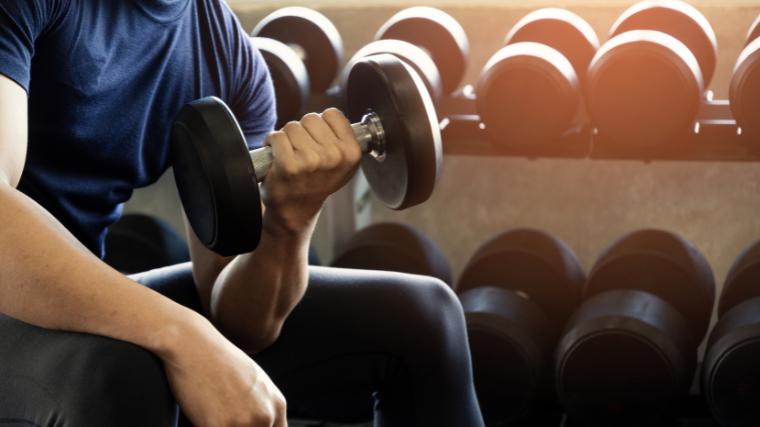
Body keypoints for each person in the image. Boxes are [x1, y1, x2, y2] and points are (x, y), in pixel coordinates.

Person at [0, 0, 485, 426]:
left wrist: (291, 217)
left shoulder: (228, 59)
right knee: (126, 370)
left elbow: (239, 321)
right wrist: (180, 334)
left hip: (59, 312)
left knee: (421, 319)